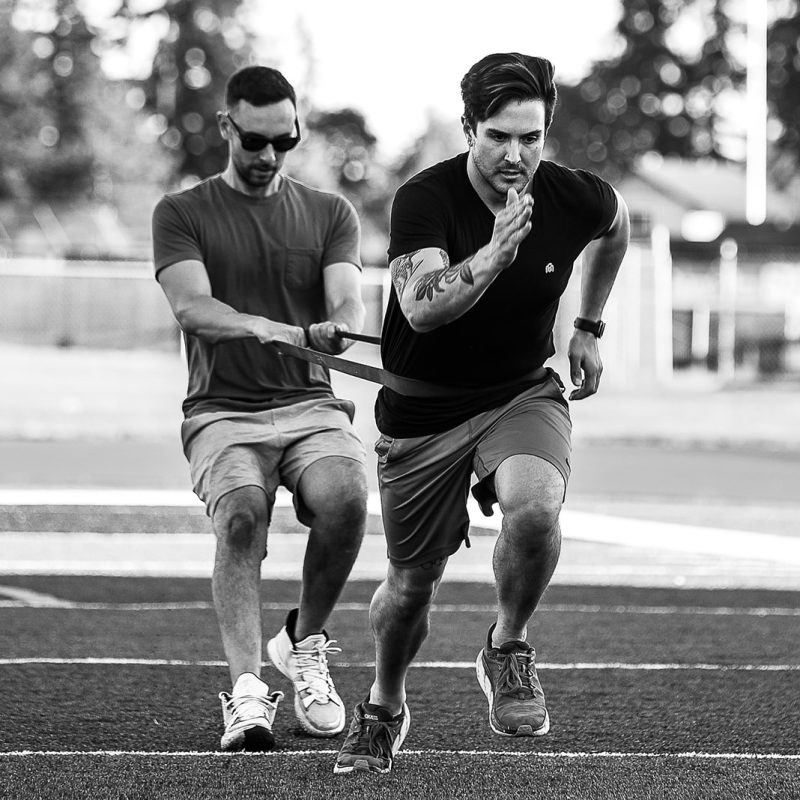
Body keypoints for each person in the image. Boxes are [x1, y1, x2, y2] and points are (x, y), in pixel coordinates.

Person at [334, 52, 630, 774]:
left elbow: (616, 225)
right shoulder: (425, 199)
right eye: (498, 137)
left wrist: (588, 326)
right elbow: (420, 307)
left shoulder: (571, 195)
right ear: (469, 129)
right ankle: (385, 705)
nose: (515, 156)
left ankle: (507, 645)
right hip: (423, 411)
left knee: (537, 506)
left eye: (531, 138)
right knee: (411, 587)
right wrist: (494, 255)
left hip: (518, 394)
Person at [151, 66, 369, 752]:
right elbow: (192, 306)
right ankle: (247, 692)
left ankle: (304, 644)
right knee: (242, 514)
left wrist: (339, 326)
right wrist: (267, 327)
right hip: (222, 409)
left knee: (348, 498)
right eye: (254, 140)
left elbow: (348, 298)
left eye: (285, 140)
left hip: (309, 401)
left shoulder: (331, 212)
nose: (270, 155)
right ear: (226, 127)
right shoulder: (181, 212)